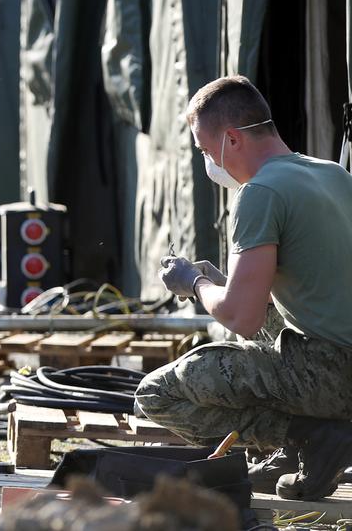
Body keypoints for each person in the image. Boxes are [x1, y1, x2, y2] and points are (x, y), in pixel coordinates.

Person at [136, 75, 352, 500]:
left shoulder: (260, 192)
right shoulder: (333, 175)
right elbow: (312, 286)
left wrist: (193, 282)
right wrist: (221, 281)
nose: (208, 163)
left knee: (156, 394)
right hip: (340, 358)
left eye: (204, 150)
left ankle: (310, 437)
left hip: (332, 374)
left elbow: (242, 318)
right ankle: (305, 448)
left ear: (231, 139)